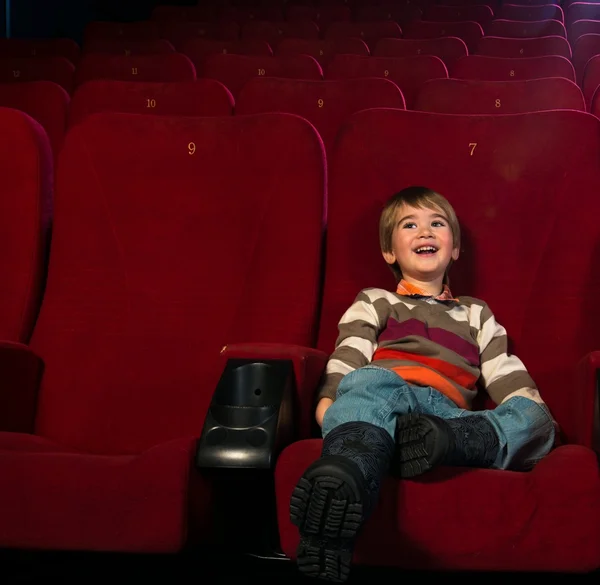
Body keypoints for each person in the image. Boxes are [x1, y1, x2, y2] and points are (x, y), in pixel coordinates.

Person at [289, 186, 557, 582]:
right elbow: (350, 352)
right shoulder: (376, 300)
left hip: (446, 421)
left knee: (538, 419)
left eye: (437, 223)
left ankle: (447, 443)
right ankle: (346, 477)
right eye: (409, 225)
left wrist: (530, 414)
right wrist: (329, 401)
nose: (425, 232)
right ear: (389, 252)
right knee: (366, 380)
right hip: (384, 402)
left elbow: (505, 370)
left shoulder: (475, 312)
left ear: (455, 249)